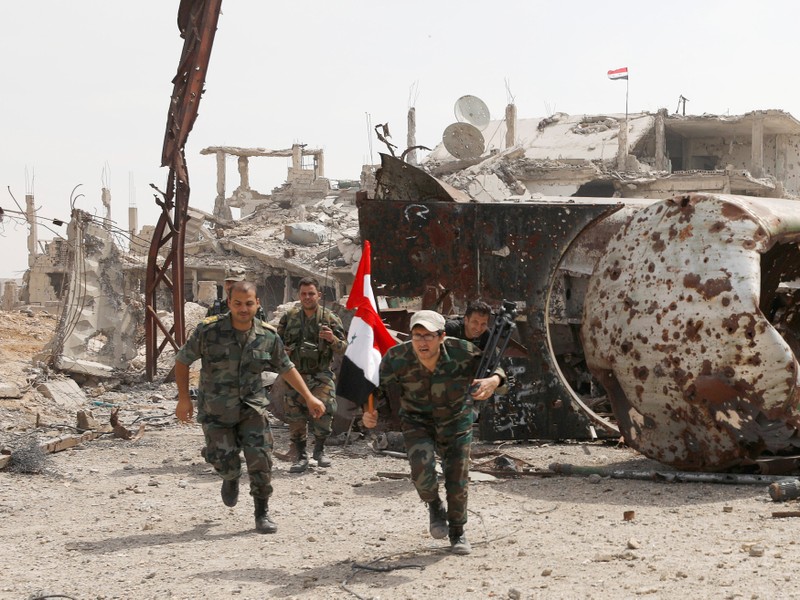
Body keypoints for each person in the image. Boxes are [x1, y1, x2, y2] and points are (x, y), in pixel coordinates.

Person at [175, 281, 326, 534]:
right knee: (223, 460)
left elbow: (286, 368)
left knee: (261, 460)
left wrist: (310, 397)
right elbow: (182, 361)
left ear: (257, 304)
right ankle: (230, 476)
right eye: (237, 304)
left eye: (248, 304)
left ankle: (262, 513)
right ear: (229, 304)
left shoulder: (267, 336)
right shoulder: (208, 331)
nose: (243, 309)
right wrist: (183, 399)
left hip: (252, 408)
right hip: (217, 409)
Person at [362, 309, 505, 555]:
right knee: (421, 471)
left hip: (456, 421)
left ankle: (458, 532)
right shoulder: (398, 357)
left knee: (457, 479)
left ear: (441, 337)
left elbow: (499, 373)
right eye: (417, 336)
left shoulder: (464, 352)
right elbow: (374, 387)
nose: (422, 342)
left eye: (429, 336)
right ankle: (434, 505)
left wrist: (494, 381)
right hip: (418, 422)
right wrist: (369, 411)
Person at [277, 277, 347, 473]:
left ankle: (319, 449)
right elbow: (275, 345)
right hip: (295, 375)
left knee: (326, 410)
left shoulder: (330, 318)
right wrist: (284, 351)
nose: (307, 297)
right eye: (303, 294)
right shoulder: (289, 317)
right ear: (298, 296)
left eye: (311, 294)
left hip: (321, 374)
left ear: (319, 295)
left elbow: (343, 348)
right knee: (295, 415)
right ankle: (300, 456)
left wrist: (332, 339)